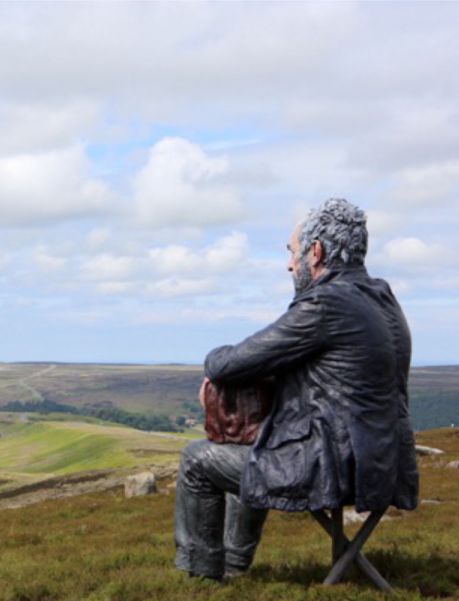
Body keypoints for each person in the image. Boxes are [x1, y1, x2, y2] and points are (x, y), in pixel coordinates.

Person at [174, 197, 419, 581]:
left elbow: (231, 362)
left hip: (335, 471)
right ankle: (235, 567)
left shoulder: (325, 303)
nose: (290, 264)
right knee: (255, 451)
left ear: (316, 252)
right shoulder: (383, 298)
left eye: (292, 252)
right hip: (387, 466)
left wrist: (214, 360)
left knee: (197, 460)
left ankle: (203, 578)